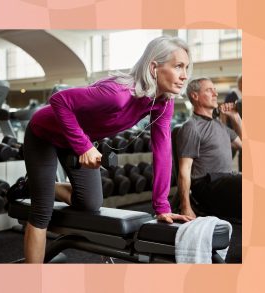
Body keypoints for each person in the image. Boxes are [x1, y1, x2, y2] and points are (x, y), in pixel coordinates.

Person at [23, 36, 194, 263]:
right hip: (44, 133)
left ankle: (41, 184)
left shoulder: (164, 102)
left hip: (75, 139)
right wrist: (84, 146)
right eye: (178, 66)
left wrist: (161, 206)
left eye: (187, 68)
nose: (184, 75)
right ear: (154, 67)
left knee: (90, 203)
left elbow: (162, 150)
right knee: (42, 211)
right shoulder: (118, 95)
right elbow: (59, 100)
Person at [176, 77, 242, 221]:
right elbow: (184, 170)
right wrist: (185, 206)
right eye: (209, 90)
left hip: (226, 181)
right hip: (206, 185)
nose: (215, 94)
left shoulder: (221, 127)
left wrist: (235, 117)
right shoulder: (191, 127)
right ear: (195, 96)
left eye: (215, 90)